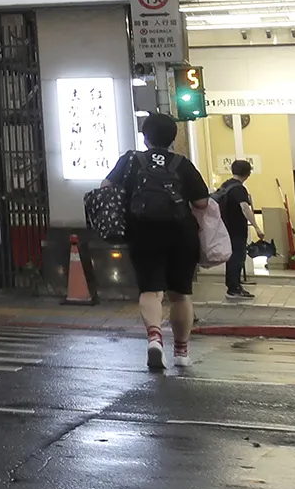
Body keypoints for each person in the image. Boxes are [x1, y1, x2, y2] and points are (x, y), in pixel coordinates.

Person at [101, 114, 212, 372]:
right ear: (173, 138)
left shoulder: (131, 160)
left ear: (145, 137)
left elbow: (106, 186)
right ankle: (182, 352)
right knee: (180, 294)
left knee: (151, 290)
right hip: (181, 233)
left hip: (143, 232)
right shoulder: (182, 164)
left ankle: (155, 339)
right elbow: (202, 202)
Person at [212, 160, 261, 301]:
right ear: (248, 173)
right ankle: (234, 288)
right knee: (237, 258)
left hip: (225, 227)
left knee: (232, 258)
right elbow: (245, 208)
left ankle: (233, 286)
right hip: (237, 229)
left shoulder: (226, 185)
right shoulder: (239, 189)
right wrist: (257, 227)